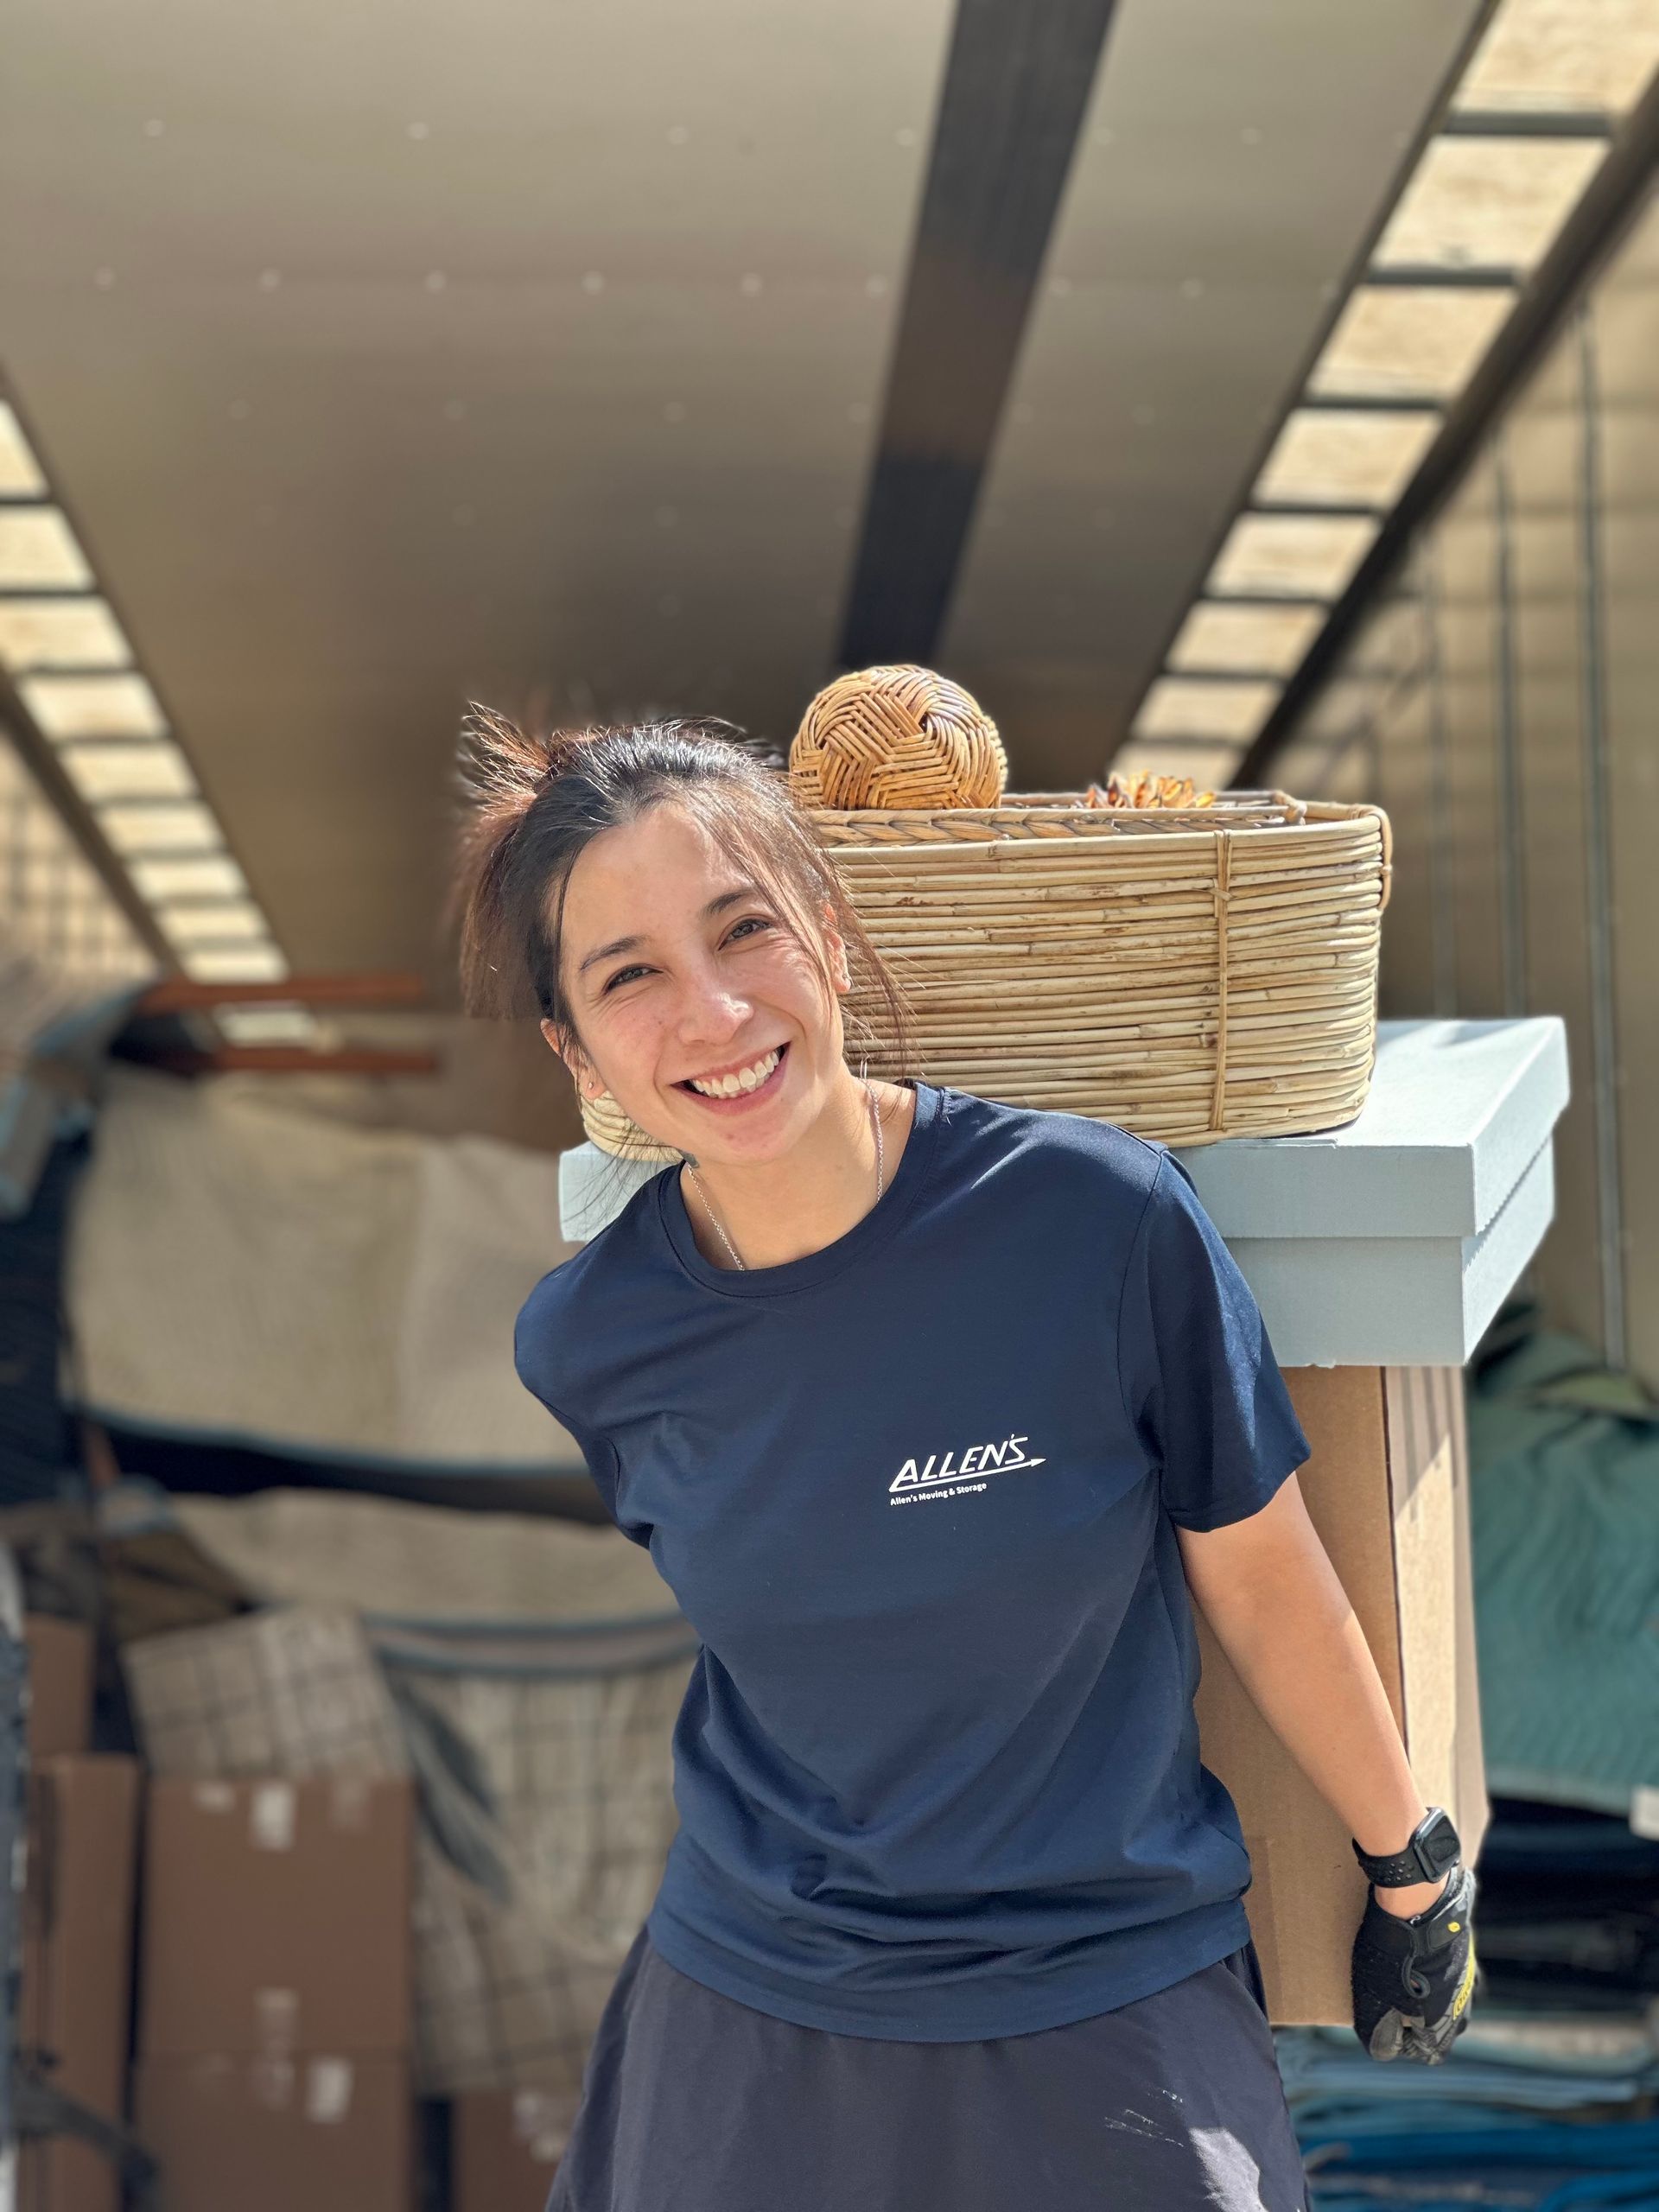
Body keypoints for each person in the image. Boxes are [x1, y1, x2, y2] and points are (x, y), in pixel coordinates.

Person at [453, 707, 1478, 2212]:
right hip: (753, 2005)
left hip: (1103, 1985)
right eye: (633, 978)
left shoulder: (1099, 1224)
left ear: (831, 934)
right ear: (575, 1044)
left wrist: (1414, 1866)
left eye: (748, 932)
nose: (719, 1013)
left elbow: (1261, 1570)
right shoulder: (594, 1343)